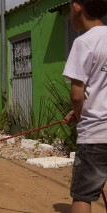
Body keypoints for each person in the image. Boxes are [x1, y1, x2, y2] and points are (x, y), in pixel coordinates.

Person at [63, 0, 107, 212]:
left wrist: (80, 115)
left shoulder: (84, 42)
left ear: (78, 6)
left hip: (95, 135)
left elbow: (77, 95)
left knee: (83, 195)